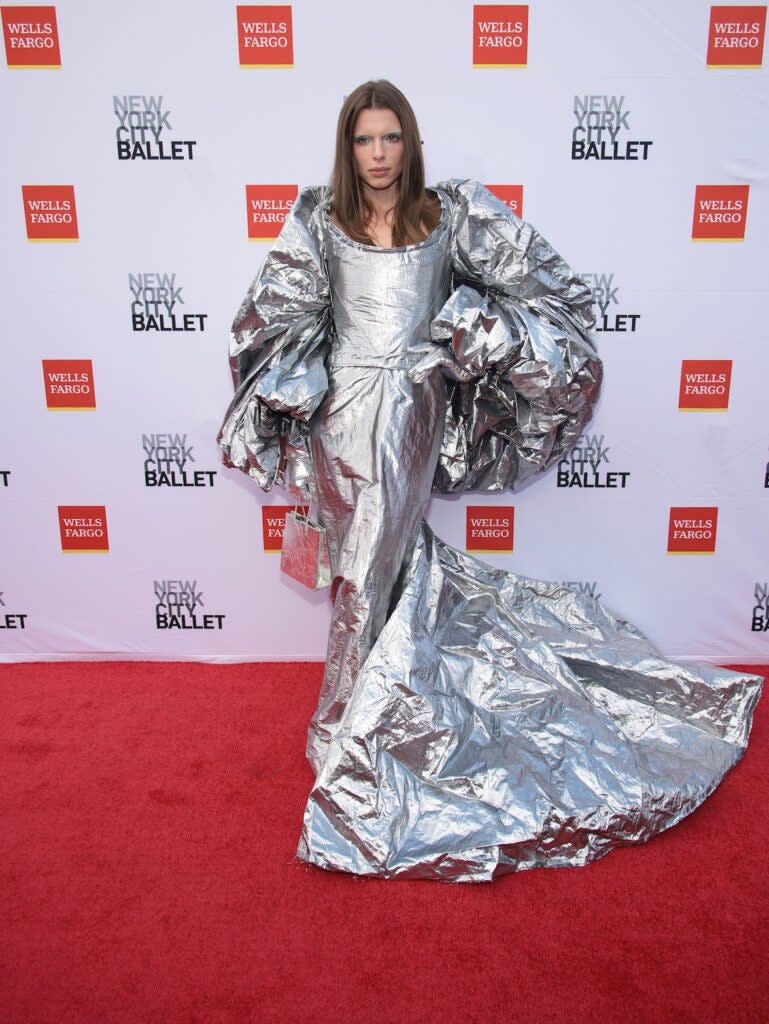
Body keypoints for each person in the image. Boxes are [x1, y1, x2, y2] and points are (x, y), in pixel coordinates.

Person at [219, 81, 762, 882]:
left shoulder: (450, 218)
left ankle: (345, 725)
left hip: (409, 410)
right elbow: (273, 315)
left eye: (390, 139)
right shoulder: (318, 220)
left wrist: (476, 331)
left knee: (373, 568)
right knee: (373, 568)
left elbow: (540, 292)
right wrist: (292, 392)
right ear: (348, 146)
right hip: (342, 414)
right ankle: (357, 715)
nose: (378, 155)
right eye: (365, 140)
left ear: (410, 143)